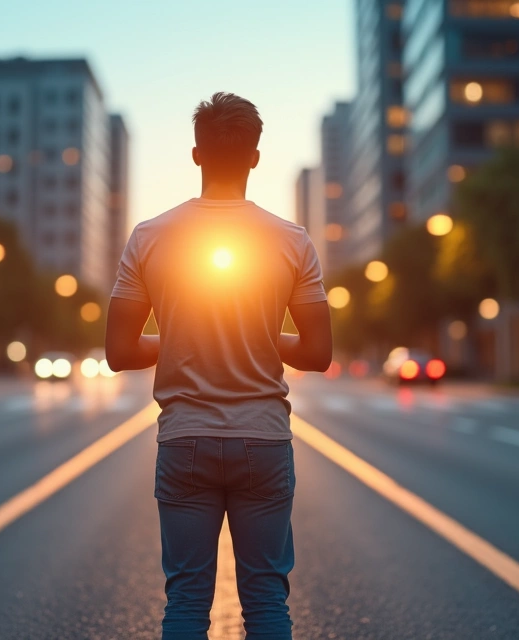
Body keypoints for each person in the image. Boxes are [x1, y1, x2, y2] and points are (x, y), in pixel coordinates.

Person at [105, 92, 332, 639]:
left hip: (184, 438)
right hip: (264, 439)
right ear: (255, 157)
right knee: (266, 601)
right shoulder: (292, 240)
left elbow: (119, 352)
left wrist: (186, 335)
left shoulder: (149, 236)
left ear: (196, 155)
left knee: (185, 602)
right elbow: (317, 354)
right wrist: (258, 334)